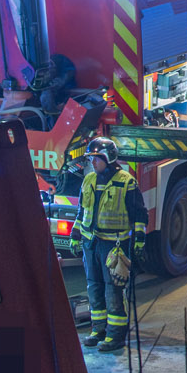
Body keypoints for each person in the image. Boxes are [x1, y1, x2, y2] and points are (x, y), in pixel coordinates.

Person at [77, 136, 148, 353]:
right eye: (91, 158)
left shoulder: (126, 182)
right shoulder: (88, 179)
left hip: (114, 245)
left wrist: (138, 241)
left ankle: (115, 335)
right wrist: (74, 235)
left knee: (113, 289)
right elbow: (82, 211)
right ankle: (98, 329)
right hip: (92, 242)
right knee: (94, 287)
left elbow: (139, 215)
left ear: (108, 158)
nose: (93, 162)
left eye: (97, 158)